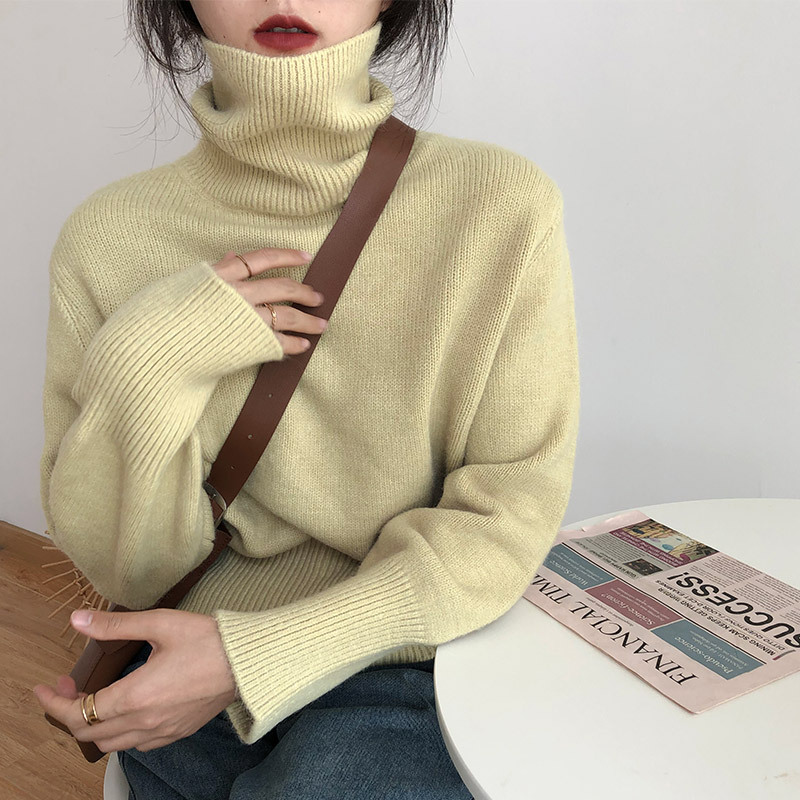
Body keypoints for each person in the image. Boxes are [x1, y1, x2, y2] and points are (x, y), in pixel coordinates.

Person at [32, 1, 580, 797]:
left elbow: (507, 513)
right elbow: (127, 567)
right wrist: (149, 360)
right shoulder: (106, 238)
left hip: (402, 660)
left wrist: (253, 659)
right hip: (180, 657)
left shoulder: (500, 208)